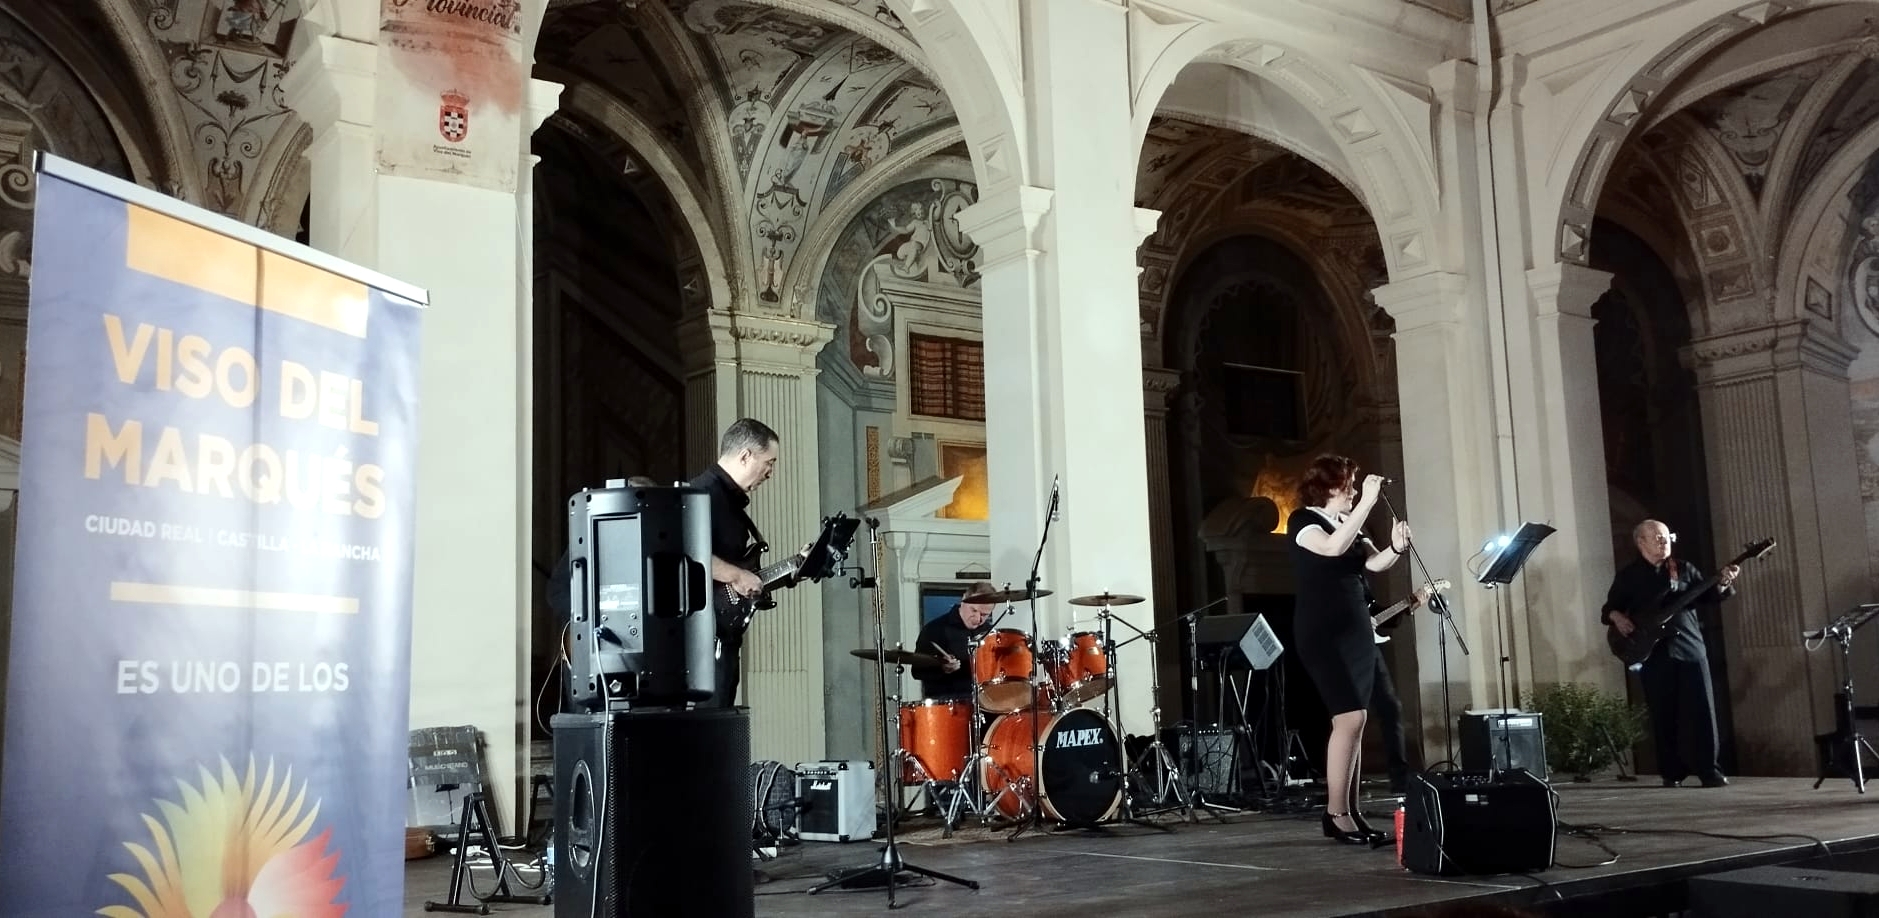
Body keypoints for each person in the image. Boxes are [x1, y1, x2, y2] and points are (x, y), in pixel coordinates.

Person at [1287, 454, 1411, 845]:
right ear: (1326, 487)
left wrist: (1395, 544)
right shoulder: (1303, 521)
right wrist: (1366, 505)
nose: (1355, 491)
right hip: (1324, 632)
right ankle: (1335, 813)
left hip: (1356, 630)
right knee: (1349, 719)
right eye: (1349, 486)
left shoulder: (1348, 523)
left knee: (1356, 719)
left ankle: (1352, 812)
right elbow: (1331, 550)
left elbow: (1375, 564)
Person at [1602, 519, 1740, 788]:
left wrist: (1722, 583)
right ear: (1640, 542)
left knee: (1702, 710)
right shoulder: (1629, 575)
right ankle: (1671, 772)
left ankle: (1708, 770)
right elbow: (1609, 607)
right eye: (1657, 538)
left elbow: (1709, 596)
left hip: (1690, 647)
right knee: (1663, 713)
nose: (1664, 542)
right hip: (1654, 653)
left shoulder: (1684, 569)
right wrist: (1617, 616)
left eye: (1666, 537)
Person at [693, 418, 782, 708]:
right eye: (769, 462)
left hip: (721, 637)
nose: (770, 472)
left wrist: (796, 568)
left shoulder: (729, 501)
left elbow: (742, 571)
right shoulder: (702, 493)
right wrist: (735, 576)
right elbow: (682, 552)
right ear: (745, 456)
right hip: (702, 642)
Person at [1366, 581, 1432, 795]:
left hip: (1369, 650)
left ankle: (1401, 781)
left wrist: (1409, 604)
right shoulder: (1329, 563)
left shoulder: (1360, 574)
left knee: (1391, 708)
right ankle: (1341, 786)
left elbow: (1376, 614)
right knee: (1348, 716)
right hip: (1343, 649)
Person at [910, 582, 998, 699]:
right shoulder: (935, 629)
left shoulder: (990, 633)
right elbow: (917, 671)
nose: (977, 619)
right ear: (963, 599)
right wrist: (943, 668)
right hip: (946, 706)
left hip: (984, 705)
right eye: (973, 610)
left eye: (984, 615)